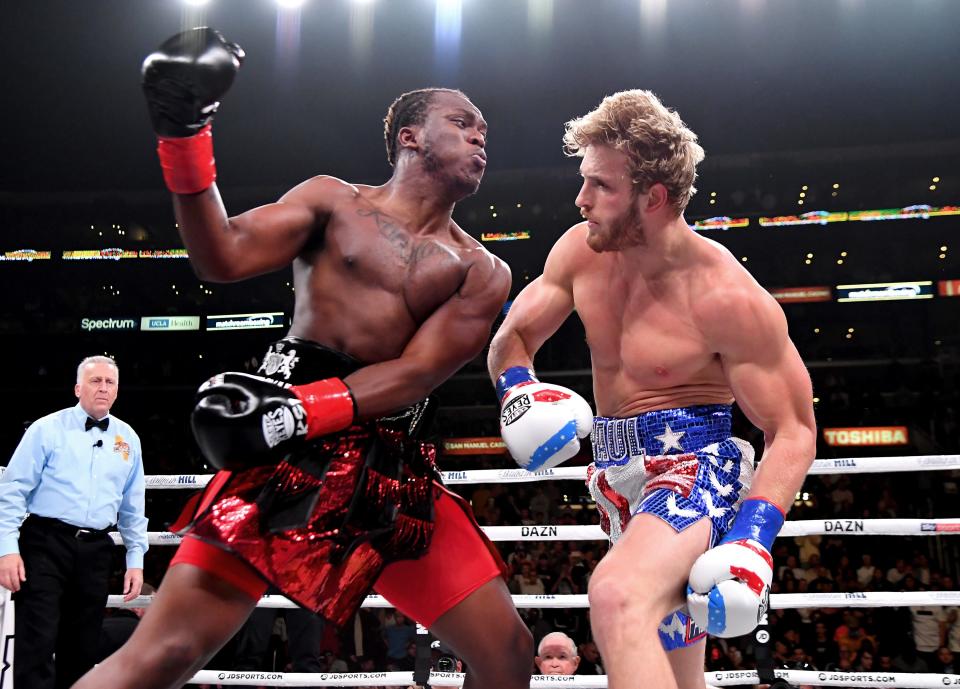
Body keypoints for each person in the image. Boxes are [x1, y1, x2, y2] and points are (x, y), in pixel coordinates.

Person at [74, 28, 531, 689]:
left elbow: (418, 372)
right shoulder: (332, 200)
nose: (480, 137)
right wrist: (185, 136)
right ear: (409, 136)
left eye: (484, 129)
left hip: (385, 470)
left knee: (507, 653)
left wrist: (301, 410)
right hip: (283, 459)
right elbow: (222, 254)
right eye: (462, 123)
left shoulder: (482, 269)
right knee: (164, 653)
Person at [487, 89, 817, 689]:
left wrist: (753, 539)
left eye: (601, 187)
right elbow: (512, 339)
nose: (581, 199)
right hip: (616, 479)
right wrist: (519, 390)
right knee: (670, 661)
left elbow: (793, 428)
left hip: (697, 471)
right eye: (584, 181)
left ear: (654, 198)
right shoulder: (580, 252)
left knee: (616, 597)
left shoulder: (725, 297)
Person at [0, 356, 147, 689]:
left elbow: (133, 506)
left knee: (82, 649)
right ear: (78, 387)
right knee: (35, 642)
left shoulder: (128, 439)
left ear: (117, 390)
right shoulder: (46, 429)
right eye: (95, 381)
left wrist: (135, 560)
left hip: (96, 550)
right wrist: (7, 549)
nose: (103, 388)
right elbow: (12, 491)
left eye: (110, 382)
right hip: (44, 544)